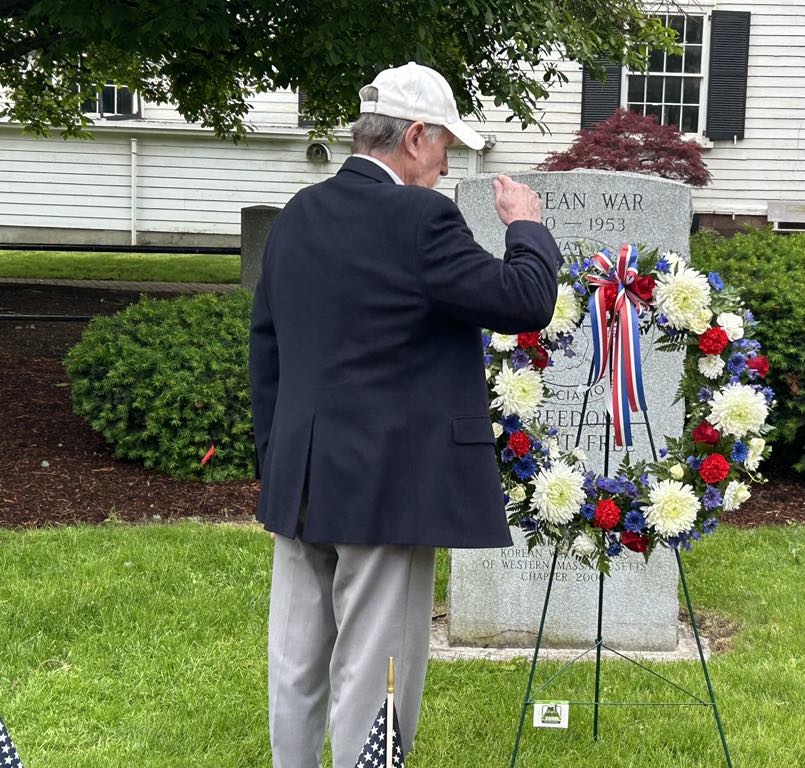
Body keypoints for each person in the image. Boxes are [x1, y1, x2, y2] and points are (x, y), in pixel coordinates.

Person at [248, 61, 561, 767]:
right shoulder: (420, 218)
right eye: (444, 144)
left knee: (295, 665)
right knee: (375, 670)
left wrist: (277, 465)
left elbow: (266, 349)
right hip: (388, 486)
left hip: (299, 480)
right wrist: (526, 226)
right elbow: (524, 299)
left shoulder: (298, 214)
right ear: (415, 136)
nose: (446, 164)